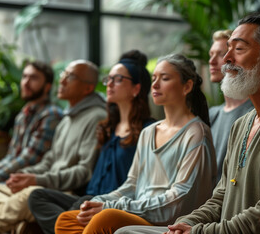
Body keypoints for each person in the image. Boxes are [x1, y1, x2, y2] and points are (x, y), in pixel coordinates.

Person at [115, 0, 260, 234]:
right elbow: (221, 197)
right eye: (227, 49)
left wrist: (198, 232)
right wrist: (187, 223)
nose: (226, 59)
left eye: (238, 49)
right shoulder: (242, 124)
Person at [54, 53, 216, 234]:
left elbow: (179, 200)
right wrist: (100, 201)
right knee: (67, 220)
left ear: (187, 86)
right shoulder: (148, 132)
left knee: (105, 218)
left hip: (169, 224)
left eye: (165, 78)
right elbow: (132, 185)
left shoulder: (196, 134)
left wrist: (114, 206)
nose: (155, 85)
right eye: (154, 78)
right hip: (139, 213)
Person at [0, 60, 107, 234]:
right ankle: (20, 225)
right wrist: (26, 176)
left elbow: (84, 172)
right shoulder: (67, 118)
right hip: (43, 187)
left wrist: (36, 180)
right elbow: (49, 160)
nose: (62, 80)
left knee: (30, 195)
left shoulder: (96, 117)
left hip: (59, 194)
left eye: (70, 77)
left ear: (88, 88)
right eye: (63, 74)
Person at [27, 50, 154, 234]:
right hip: (89, 198)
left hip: (114, 205)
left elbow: (139, 186)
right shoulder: (108, 126)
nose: (108, 84)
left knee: (77, 208)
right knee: (37, 197)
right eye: (108, 79)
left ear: (136, 88)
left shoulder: (148, 130)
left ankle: (69, 227)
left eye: (117, 79)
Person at [0, 61, 63, 219]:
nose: (26, 82)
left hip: (28, 182)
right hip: (10, 180)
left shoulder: (51, 115)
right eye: (24, 77)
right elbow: (11, 157)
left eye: (33, 78)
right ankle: (10, 216)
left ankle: (0, 217)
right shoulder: (23, 115)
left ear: (47, 86)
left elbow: (28, 159)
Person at [208, 30, 254, 182]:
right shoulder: (211, 115)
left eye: (220, 54)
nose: (212, 61)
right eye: (211, 54)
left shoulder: (254, 113)